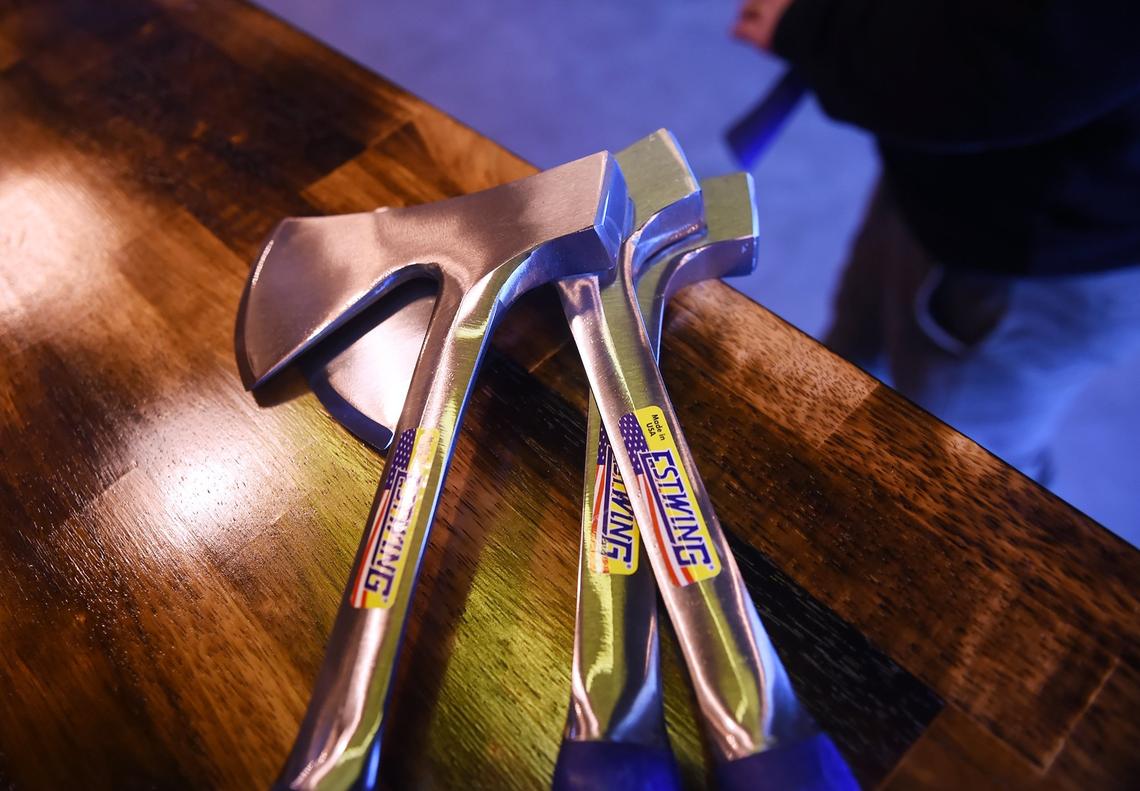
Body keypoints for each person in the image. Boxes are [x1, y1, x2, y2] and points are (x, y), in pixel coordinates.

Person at [733, 0, 1140, 483]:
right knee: (846, 370)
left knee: (961, 470)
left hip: (1044, 251)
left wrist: (814, 26)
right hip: (938, 180)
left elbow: (1002, 70)